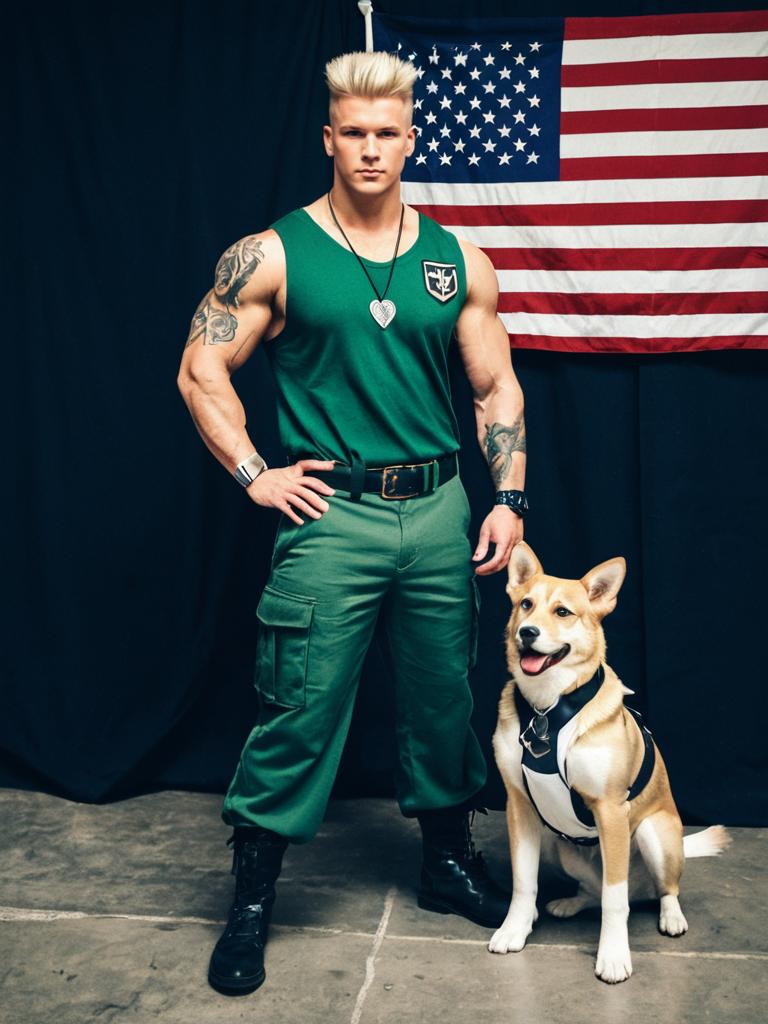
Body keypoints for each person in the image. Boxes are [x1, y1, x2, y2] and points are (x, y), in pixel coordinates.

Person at [176, 50, 527, 997]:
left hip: (442, 507)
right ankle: (251, 903)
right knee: (296, 707)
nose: (371, 150)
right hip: (335, 517)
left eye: (388, 134)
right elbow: (200, 370)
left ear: (411, 140)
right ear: (329, 138)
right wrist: (255, 473)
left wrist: (508, 500)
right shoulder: (277, 252)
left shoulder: (458, 258)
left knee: (445, 701)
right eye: (354, 134)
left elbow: (494, 386)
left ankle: (447, 865)